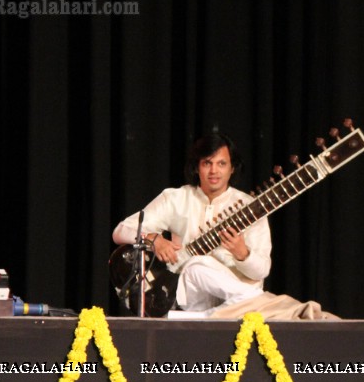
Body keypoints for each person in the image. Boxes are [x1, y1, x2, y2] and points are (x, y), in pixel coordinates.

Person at [112, 132, 271, 315]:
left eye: (221, 164)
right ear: (197, 167)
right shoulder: (176, 198)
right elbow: (121, 231)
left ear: (232, 168)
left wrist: (242, 253)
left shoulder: (251, 208)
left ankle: (220, 313)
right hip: (193, 298)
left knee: (198, 264)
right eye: (207, 163)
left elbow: (262, 271)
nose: (214, 171)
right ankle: (259, 303)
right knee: (196, 266)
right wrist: (153, 239)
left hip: (234, 304)